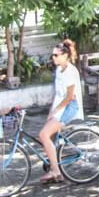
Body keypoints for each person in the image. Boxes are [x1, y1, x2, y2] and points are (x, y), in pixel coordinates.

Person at [38, 39, 85, 182]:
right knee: (48, 136)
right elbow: (58, 94)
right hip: (60, 106)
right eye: (53, 55)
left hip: (69, 106)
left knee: (43, 135)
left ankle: (57, 172)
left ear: (65, 55)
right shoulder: (59, 70)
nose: (53, 58)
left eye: (56, 55)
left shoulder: (70, 71)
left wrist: (55, 111)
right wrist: (51, 111)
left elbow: (70, 97)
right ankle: (53, 167)